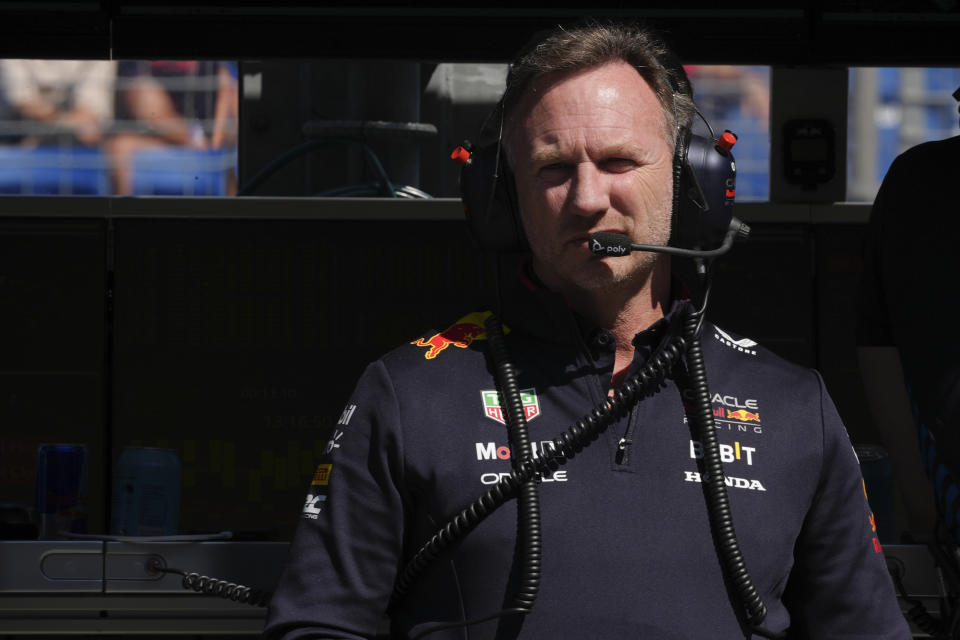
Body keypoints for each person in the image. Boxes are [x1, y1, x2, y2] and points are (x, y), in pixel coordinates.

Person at [264, 22, 909, 639]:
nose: (587, 198)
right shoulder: (408, 396)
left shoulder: (796, 407)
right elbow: (314, 626)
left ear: (693, 183)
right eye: (552, 169)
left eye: (619, 161)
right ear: (501, 198)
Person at [858, 88, 960, 545]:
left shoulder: (916, 176)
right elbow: (879, 342)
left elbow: (878, 345)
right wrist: (920, 501)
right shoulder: (919, 179)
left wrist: (919, 500)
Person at [0, 59, 117, 147]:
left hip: (77, 144)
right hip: (15, 138)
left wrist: (51, 121)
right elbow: (22, 103)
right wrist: (71, 122)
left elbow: (90, 114)